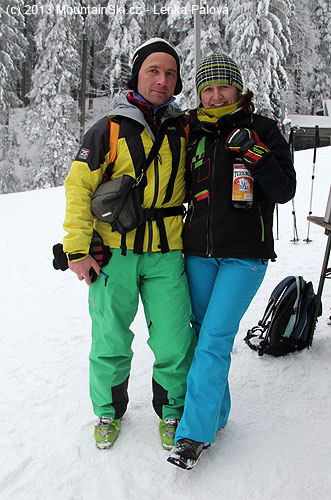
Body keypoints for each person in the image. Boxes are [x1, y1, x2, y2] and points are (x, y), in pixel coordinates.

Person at [63, 38, 196, 450]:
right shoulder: (110, 128)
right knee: (111, 337)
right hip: (113, 255)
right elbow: (79, 188)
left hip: (166, 252)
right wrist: (76, 249)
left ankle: (173, 411)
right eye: (153, 70)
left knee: (175, 337)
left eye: (170, 73)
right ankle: (107, 410)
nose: (162, 80)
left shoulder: (184, 128)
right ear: (137, 74)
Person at [167, 54, 296, 469]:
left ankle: (192, 435)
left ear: (239, 90)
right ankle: (216, 416)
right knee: (203, 334)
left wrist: (254, 152)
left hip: (245, 255)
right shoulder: (193, 133)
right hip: (198, 254)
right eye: (208, 88)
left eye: (224, 87)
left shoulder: (263, 129)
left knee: (216, 338)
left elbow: (284, 189)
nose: (216, 95)